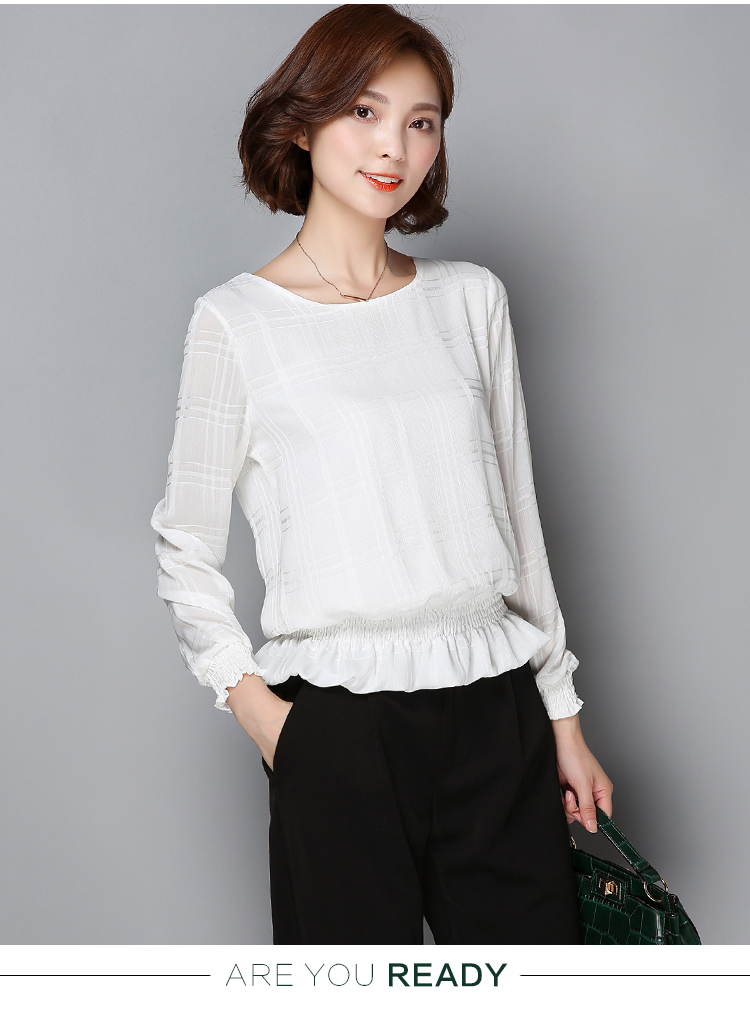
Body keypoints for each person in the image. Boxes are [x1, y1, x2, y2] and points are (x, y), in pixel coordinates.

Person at [150, 4, 612, 944]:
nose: (394, 146)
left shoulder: (470, 300)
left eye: (421, 120)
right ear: (302, 121)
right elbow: (184, 545)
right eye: (364, 111)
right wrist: (268, 719)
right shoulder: (237, 322)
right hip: (338, 731)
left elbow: (519, 521)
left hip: (496, 714)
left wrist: (562, 715)